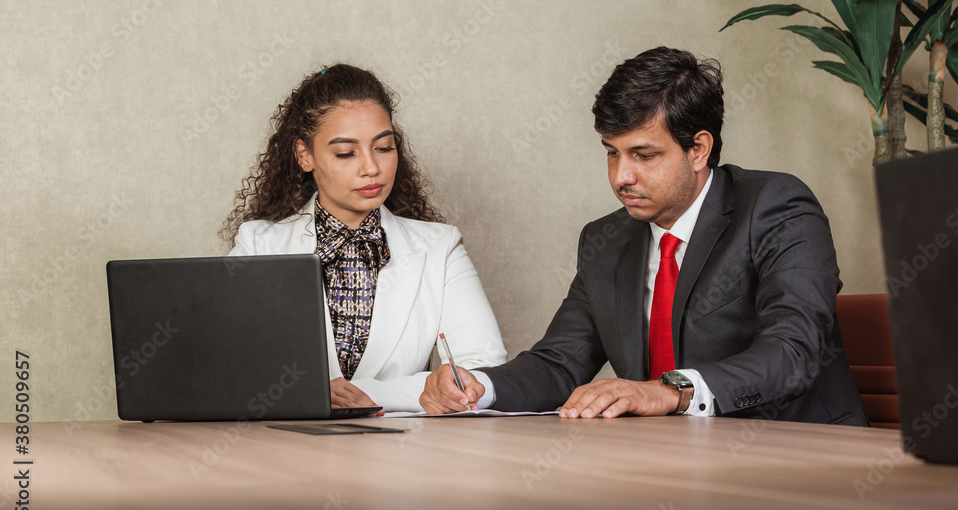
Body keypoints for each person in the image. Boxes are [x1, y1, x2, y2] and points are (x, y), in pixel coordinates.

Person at [420, 46, 868, 425]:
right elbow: (559, 364)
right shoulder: (607, 240)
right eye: (612, 154)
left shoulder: (776, 206)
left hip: (803, 465)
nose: (621, 176)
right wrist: (481, 386)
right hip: (670, 470)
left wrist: (670, 390)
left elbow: (792, 351)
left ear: (699, 149)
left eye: (643, 155)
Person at [222, 64, 507, 413]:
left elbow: (481, 368)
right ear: (304, 155)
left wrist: (373, 395)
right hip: (284, 449)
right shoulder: (257, 245)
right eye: (346, 153)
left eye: (384, 147)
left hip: (403, 452)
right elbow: (229, 368)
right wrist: (307, 393)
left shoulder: (440, 247)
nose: (371, 167)